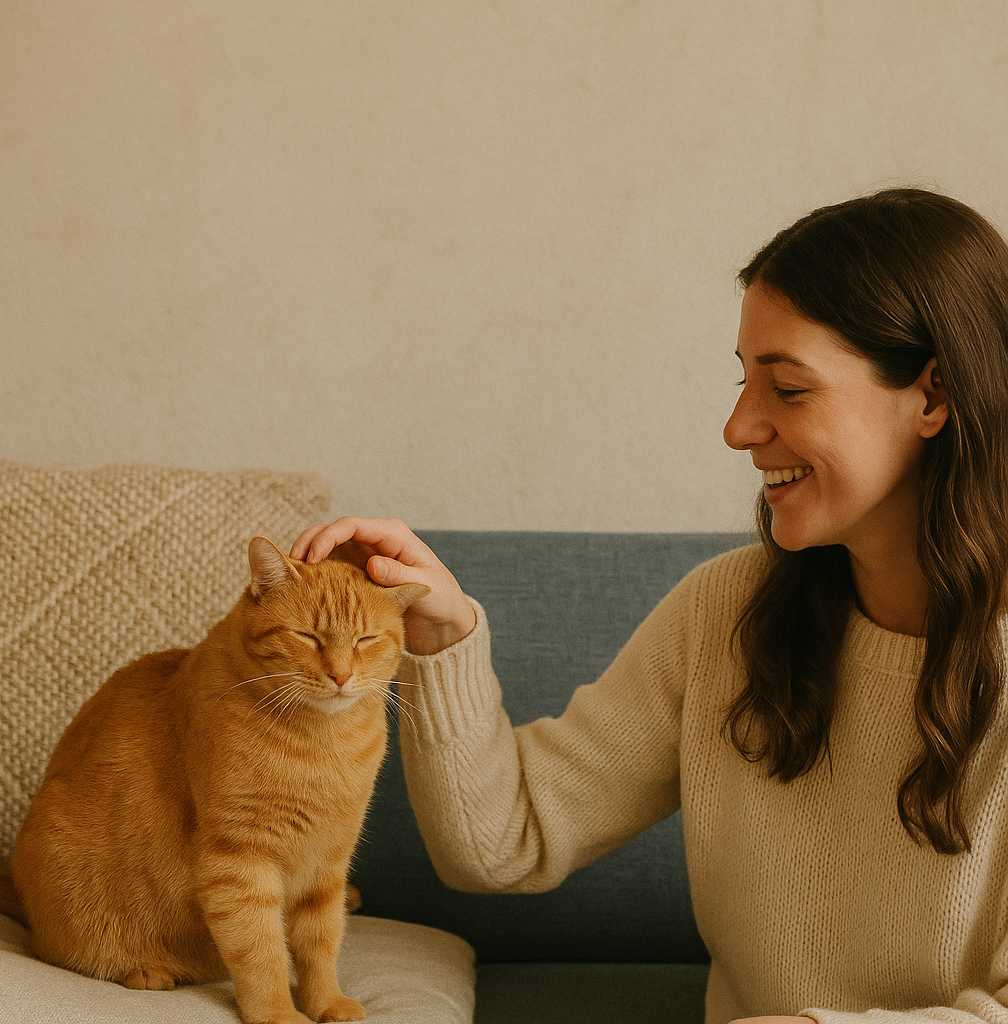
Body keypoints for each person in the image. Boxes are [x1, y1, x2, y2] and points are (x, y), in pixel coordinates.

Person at [291, 188, 1008, 1024]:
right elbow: (501, 843)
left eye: (788, 388)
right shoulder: (724, 615)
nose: (739, 429)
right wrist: (441, 638)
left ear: (935, 394)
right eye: (744, 382)